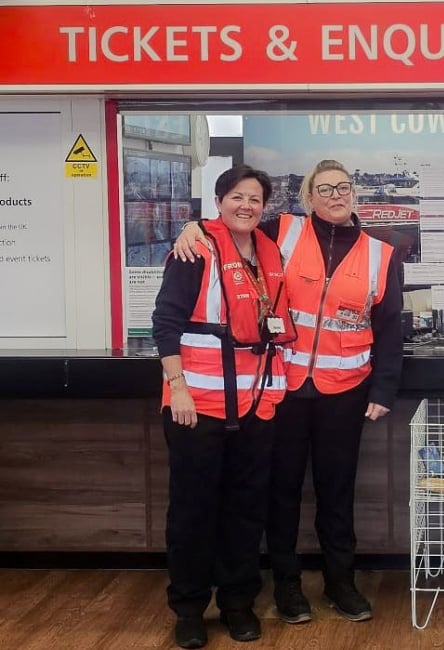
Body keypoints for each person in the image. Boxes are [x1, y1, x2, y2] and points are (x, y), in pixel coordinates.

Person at [173, 159, 403, 625]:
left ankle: (342, 582)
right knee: (281, 492)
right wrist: (191, 227)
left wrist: (384, 387)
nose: (334, 196)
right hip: (284, 387)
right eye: (324, 189)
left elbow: (391, 327)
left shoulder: (382, 253)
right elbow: (233, 218)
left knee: (337, 492)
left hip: (347, 388)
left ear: (354, 193)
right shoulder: (284, 232)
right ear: (308, 198)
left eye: (342, 187)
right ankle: (288, 586)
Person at [153, 165, 295, 649]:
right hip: (198, 406)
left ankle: (238, 603)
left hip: (257, 405)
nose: (246, 206)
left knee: (245, 508)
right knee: (193, 510)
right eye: (237, 197)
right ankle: (189, 607)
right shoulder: (195, 250)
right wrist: (179, 387)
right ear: (218, 201)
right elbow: (166, 322)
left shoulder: (269, 248)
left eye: (255, 199)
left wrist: (271, 394)